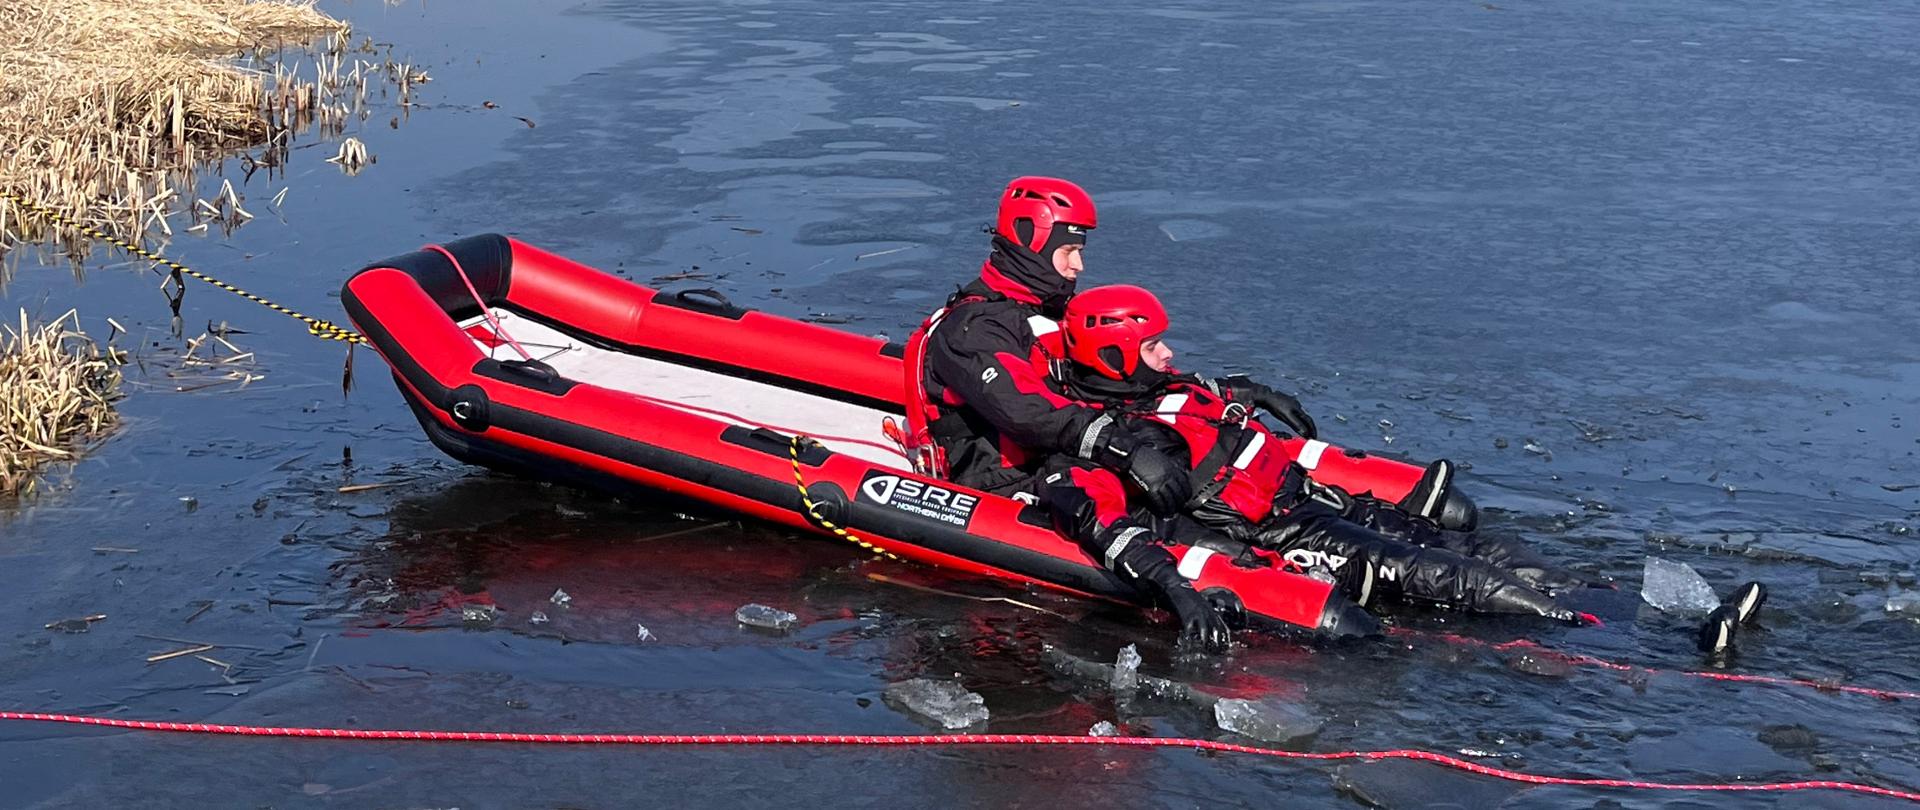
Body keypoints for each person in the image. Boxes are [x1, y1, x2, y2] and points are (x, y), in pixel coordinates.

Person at [909, 176, 1299, 653]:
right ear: (1032, 239)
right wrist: (1125, 450)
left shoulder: (1047, 310)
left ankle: (1317, 532)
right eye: (1068, 250)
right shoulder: (973, 330)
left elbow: (1116, 380)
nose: (1078, 265)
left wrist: (1231, 391)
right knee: (1188, 516)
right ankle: (1263, 579)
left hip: (1076, 464)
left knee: (1212, 476)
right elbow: (1027, 411)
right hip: (1021, 486)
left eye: (1080, 250)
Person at [1056, 284, 1589, 621]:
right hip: (1287, 535)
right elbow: (1100, 515)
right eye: (1152, 345)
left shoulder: (1168, 390)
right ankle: (1582, 629)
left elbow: (1211, 396)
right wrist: (1174, 584)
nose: (1168, 352)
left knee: (1477, 544)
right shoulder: (1123, 444)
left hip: (1318, 500)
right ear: (1112, 354)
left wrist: (1254, 392)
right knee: (1433, 570)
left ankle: (1591, 595)